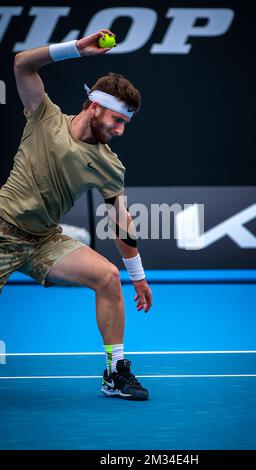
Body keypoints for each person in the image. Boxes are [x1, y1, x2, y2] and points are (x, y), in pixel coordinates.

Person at [0, 29, 153, 401]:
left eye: (124, 125)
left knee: (106, 277)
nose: (119, 131)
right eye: (116, 120)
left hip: (44, 240)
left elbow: (122, 224)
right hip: (2, 230)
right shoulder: (44, 116)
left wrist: (140, 277)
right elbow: (22, 64)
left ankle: (114, 371)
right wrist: (77, 50)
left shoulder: (109, 165)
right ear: (94, 106)